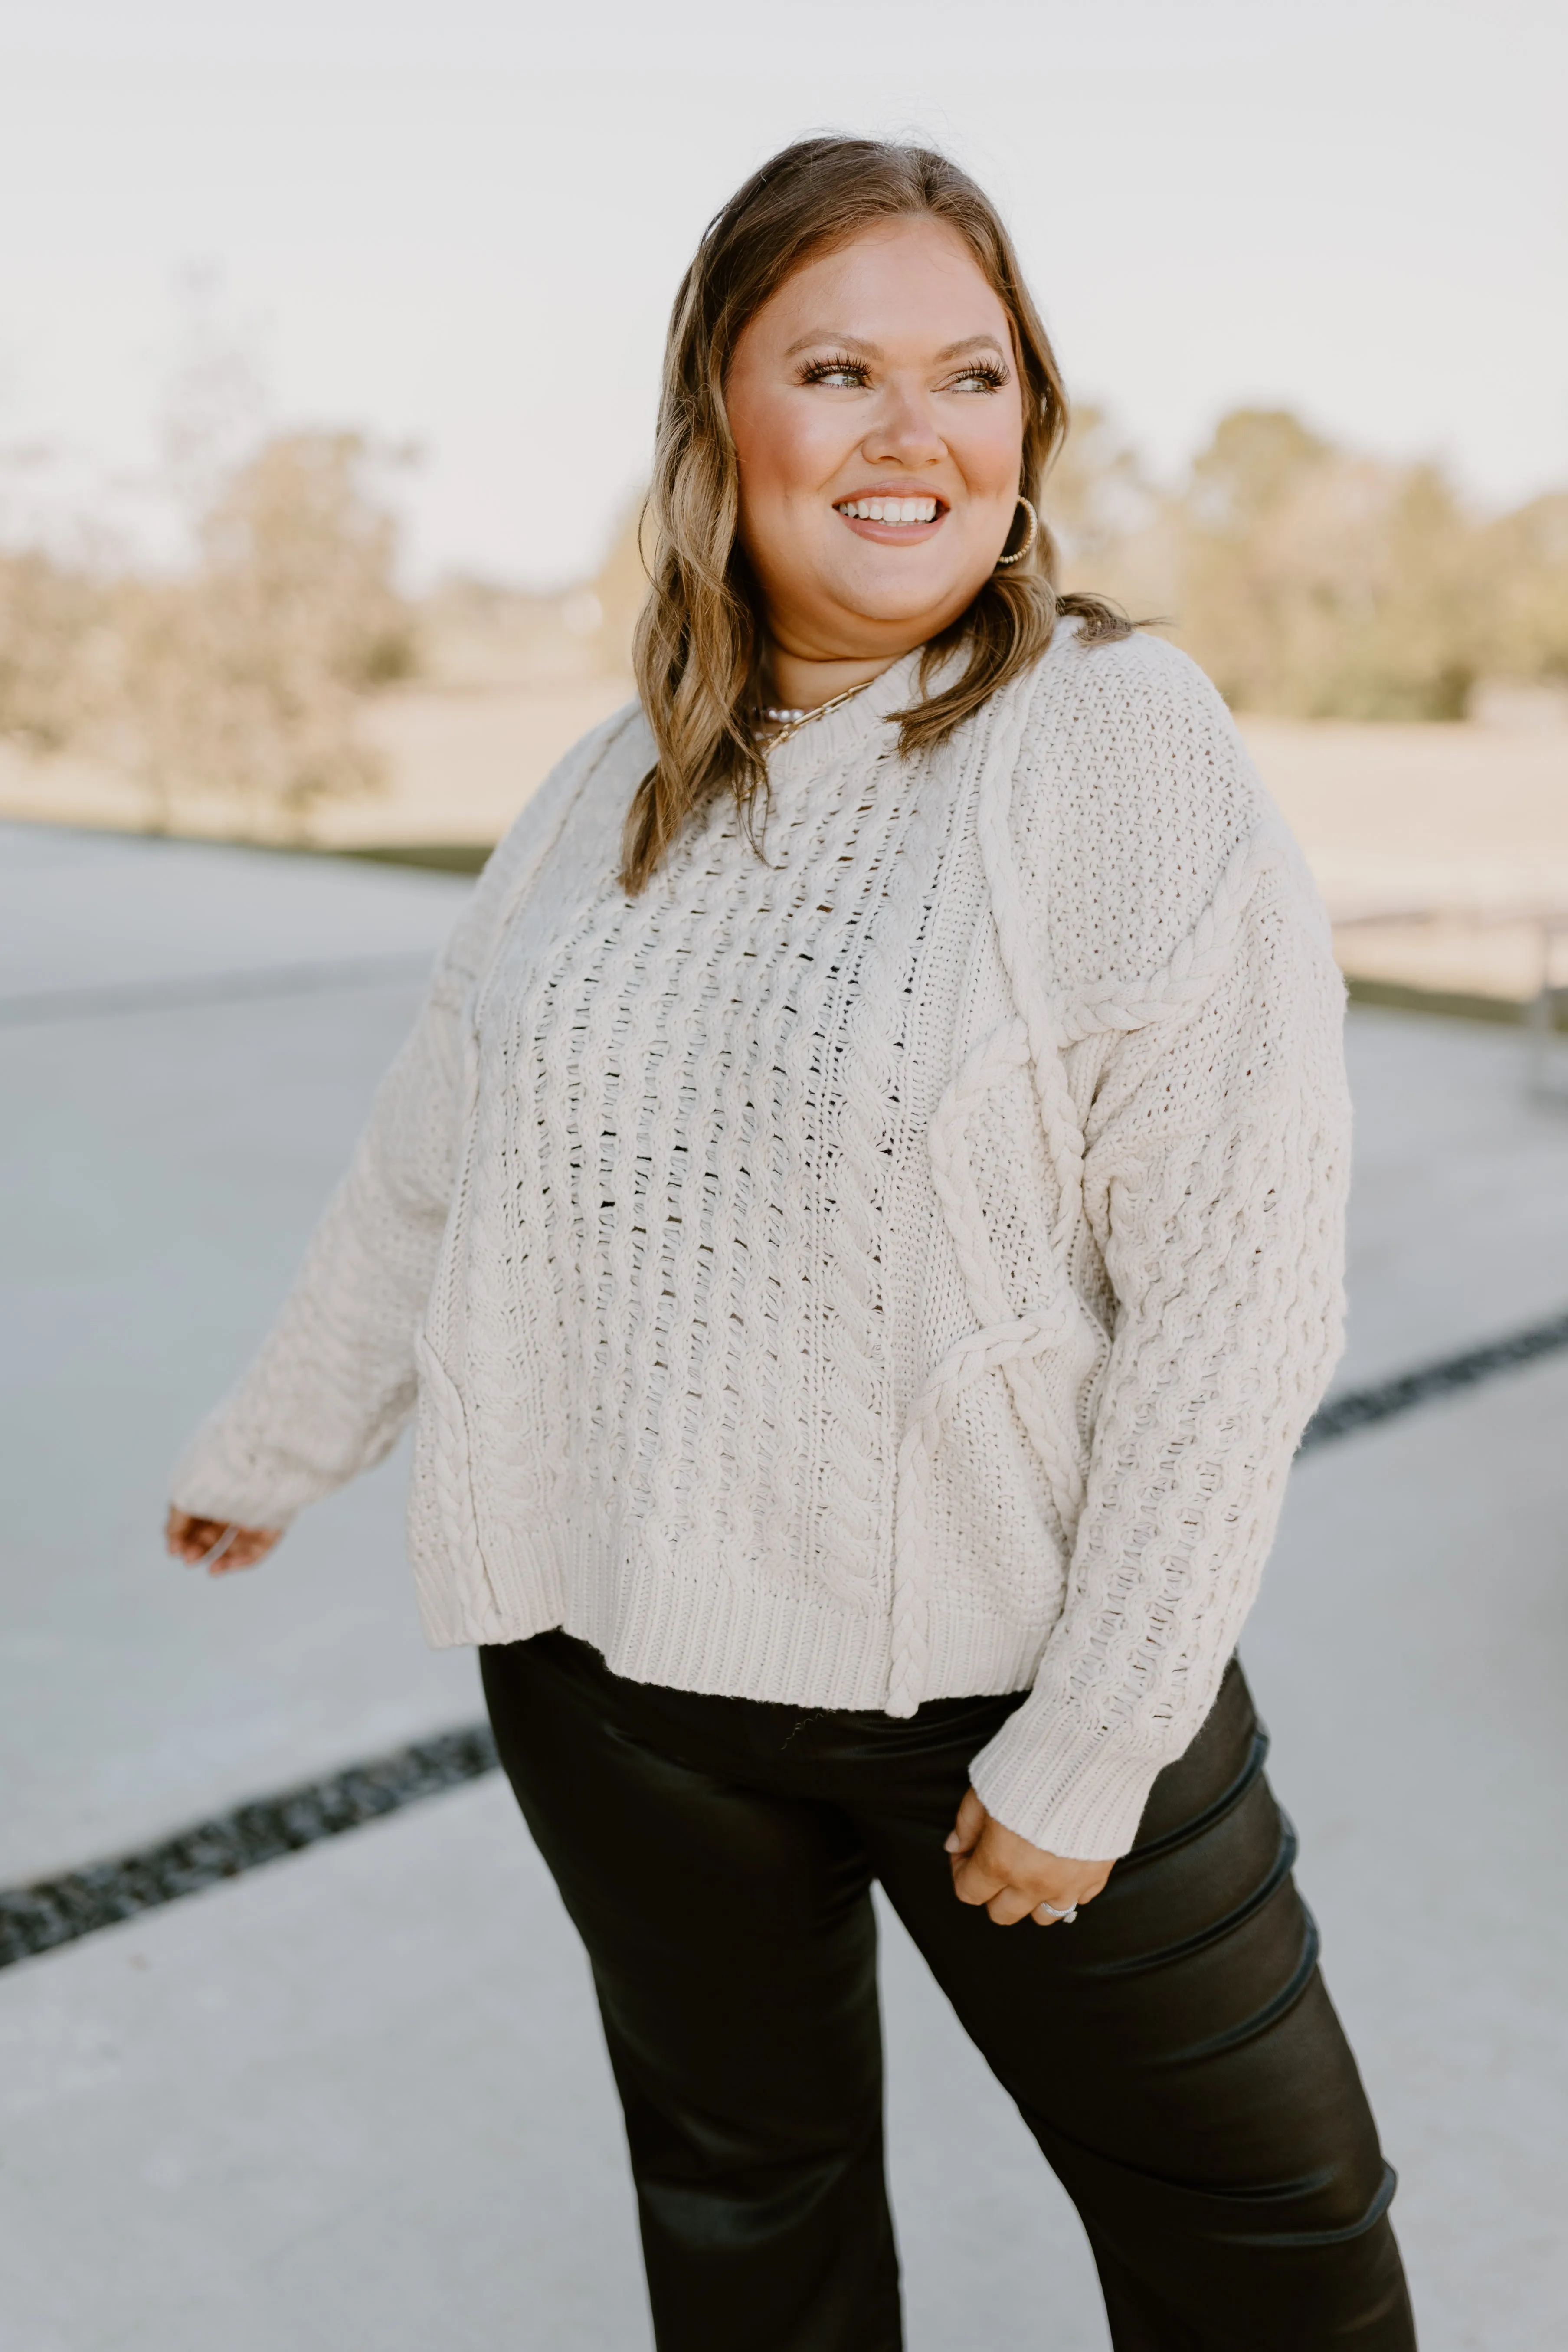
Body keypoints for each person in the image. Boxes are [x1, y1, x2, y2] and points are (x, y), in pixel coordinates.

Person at [167, 136, 1416, 2352]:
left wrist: (1097, 1735)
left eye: (973, 371)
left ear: (1031, 421)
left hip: (999, 1686)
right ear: (716, 421)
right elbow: (434, 1158)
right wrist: (279, 1437)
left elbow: (1238, 1286)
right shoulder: (608, 781)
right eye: (836, 367)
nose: (912, 429)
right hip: (615, 1678)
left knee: (1276, 2255)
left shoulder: (1117, 745)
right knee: (752, 2222)